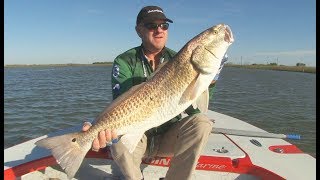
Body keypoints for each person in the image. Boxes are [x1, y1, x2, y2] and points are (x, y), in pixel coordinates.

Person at [82, 5, 228, 180]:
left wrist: (209, 81)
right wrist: (98, 125)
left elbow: (195, 109)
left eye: (164, 26)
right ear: (139, 30)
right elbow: (121, 104)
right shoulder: (125, 61)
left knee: (202, 123)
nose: (159, 30)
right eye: (152, 25)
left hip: (168, 136)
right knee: (116, 138)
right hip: (138, 137)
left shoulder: (179, 59)